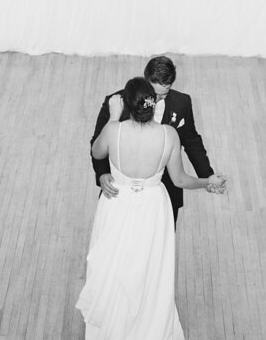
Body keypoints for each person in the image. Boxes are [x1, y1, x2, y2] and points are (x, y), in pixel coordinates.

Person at [78, 80, 226, 340]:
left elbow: (97, 154)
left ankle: (114, 330)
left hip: (116, 204)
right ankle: (147, 330)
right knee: (148, 269)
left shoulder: (114, 130)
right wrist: (207, 181)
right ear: (152, 105)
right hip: (152, 208)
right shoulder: (168, 135)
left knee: (116, 266)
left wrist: (113, 117)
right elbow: (181, 180)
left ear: (127, 106)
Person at [91, 56, 220, 227]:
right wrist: (102, 173)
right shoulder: (116, 102)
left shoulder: (182, 103)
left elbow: (191, 141)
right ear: (145, 81)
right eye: (154, 94)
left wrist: (207, 176)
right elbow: (97, 142)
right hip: (119, 190)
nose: (157, 100)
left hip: (164, 189)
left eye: (164, 94)